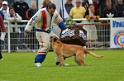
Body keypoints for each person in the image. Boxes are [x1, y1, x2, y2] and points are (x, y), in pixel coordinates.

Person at [24, 3, 66, 67]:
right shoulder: (41, 12)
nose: (52, 13)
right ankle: (38, 61)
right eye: (51, 11)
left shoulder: (55, 13)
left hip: (50, 31)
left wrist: (65, 29)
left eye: (54, 11)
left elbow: (59, 21)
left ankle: (59, 62)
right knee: (46, 45)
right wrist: (27, 30)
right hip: (40, 31)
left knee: (58, 44)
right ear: (48, 8)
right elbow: (32, 20)